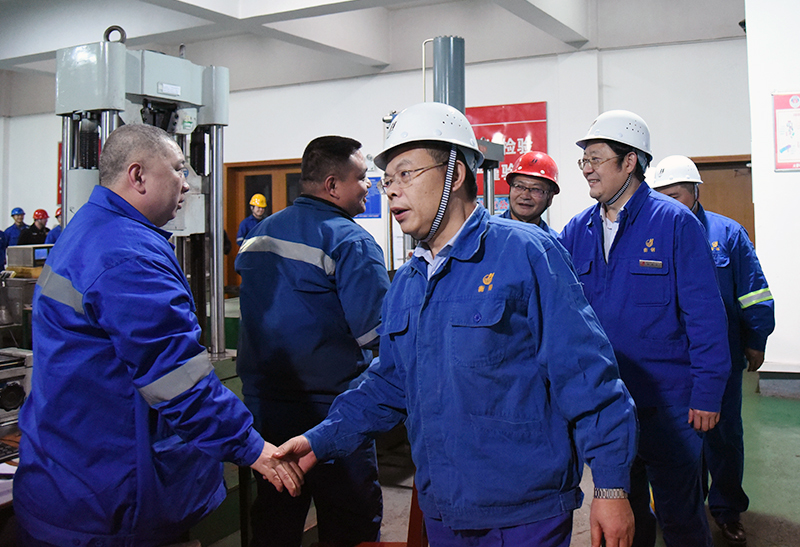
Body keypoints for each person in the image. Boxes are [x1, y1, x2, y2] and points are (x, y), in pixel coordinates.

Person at [275, 102, 638, 547]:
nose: (391, 191)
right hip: (444, 509)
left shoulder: (526, 253)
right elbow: (389, 383)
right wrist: (320, 440)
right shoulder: (409, 281)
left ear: (455, 173)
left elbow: (586, 375)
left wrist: (611, 488)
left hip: (524, 513)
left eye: (406, 174)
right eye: (387, 179)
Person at [14, 124, 303, 547]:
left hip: (65, 473)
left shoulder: (90, 227)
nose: (186, 184)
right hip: (110, 499)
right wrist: (251, 446)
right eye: (178, 169)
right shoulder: (127, 255)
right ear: (138, 175)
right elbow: (176, 379)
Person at [558, 111, 732, 547]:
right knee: (624, 514)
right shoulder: (577, 229)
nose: (587, 169)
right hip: (608, 405)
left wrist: (708, 392)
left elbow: (706, 315)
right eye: (584, 161)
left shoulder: (674, 222)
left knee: (680, 516)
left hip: (669, 405)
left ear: (630, 161)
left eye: (596, 159)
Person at [235, 136, 388, 547]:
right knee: (350, 525)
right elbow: (379, 335)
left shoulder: (260, 234)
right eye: (362, 177)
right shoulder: (351, 241)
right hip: (334, 414)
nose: (369, 186)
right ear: (333, 185)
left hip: (265, 411)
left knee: (275, 523)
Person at [651, 154, 775, 546]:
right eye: (661, 196)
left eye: (676, 195)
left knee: (723, 438)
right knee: (673, 438)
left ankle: (726, 510)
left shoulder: (727, 233)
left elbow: (754, 293)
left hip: (720, 357)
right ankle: (677, 508)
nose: (669, 204)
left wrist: (756, 339)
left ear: (696, 191)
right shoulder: (651, 235)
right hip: (670, 358)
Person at [499, 150, 560, 237]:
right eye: (519, 186)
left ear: (550, 198)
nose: (525, 196)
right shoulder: (487, 233)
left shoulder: (554, 242)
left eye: (536, 189)